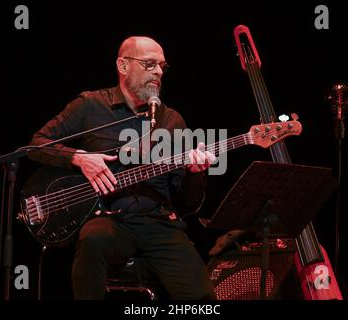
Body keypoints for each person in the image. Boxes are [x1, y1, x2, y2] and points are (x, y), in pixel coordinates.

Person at [28, 36, 217, 300]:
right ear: (123, 65)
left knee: (204, 301)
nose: (159, 72)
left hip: (159, 223)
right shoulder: (91, 105)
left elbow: (186, 202)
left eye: (162, 66)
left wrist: (196, 174)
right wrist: (79, 157)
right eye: (150, 64)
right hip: (106, 219)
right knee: (94, 241)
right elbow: (37, 144)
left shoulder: (172, 120)